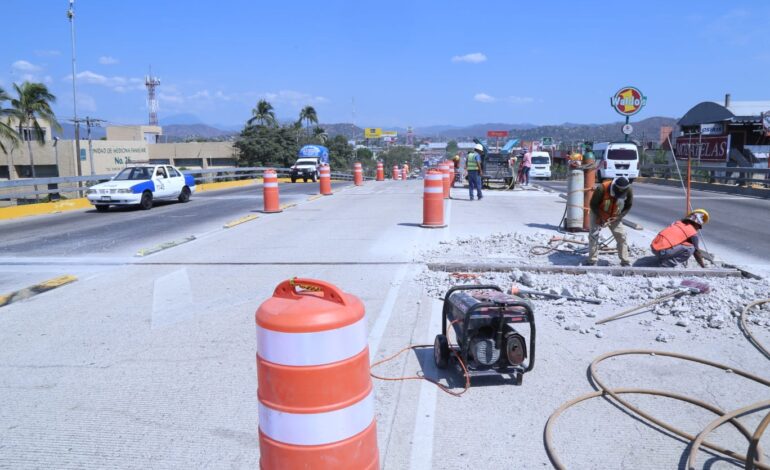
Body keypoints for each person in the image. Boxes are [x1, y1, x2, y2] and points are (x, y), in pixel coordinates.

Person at [585, 176, 633, 266]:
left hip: (614, 214)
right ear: (614, 187)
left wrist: (619, 217)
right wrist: (601, 217)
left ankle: (625, 261)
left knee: (621, 236)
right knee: (593, 235)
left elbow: (628, 205)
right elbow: (593, 204)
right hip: (597, 212)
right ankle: (592, 260)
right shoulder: (601, 188)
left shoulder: (628, 190)